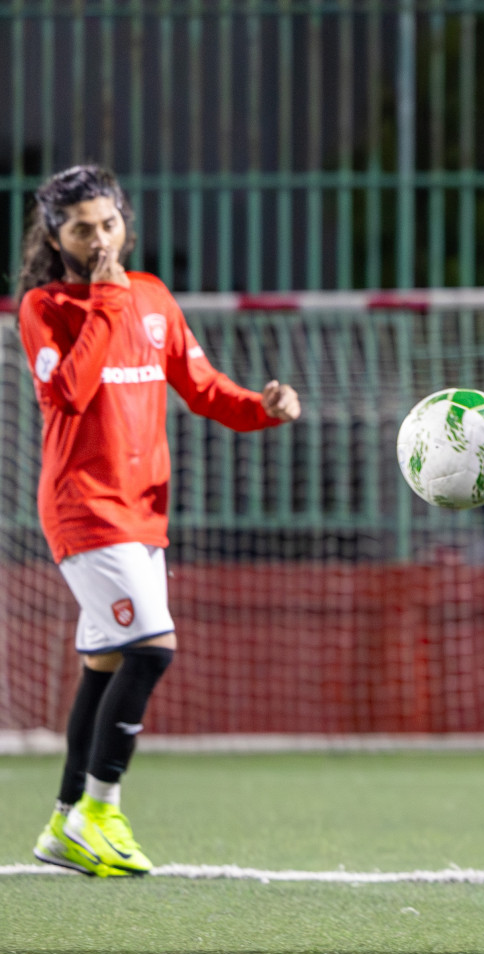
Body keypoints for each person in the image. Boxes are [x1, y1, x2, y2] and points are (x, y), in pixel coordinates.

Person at [19, 165, 301, 877]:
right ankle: (99, 810)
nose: (99, 239)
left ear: (126, 223)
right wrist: (106, 301)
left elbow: (202, 388)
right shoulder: (44, 308)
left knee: (106, 665)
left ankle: (62, 822)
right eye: (81, 228)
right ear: (54, 238)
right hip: (85, 508)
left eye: (108, 223)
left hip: (144, 512)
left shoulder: (151, 296)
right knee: (152, 648)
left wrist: (262, 408)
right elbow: (69, 393)